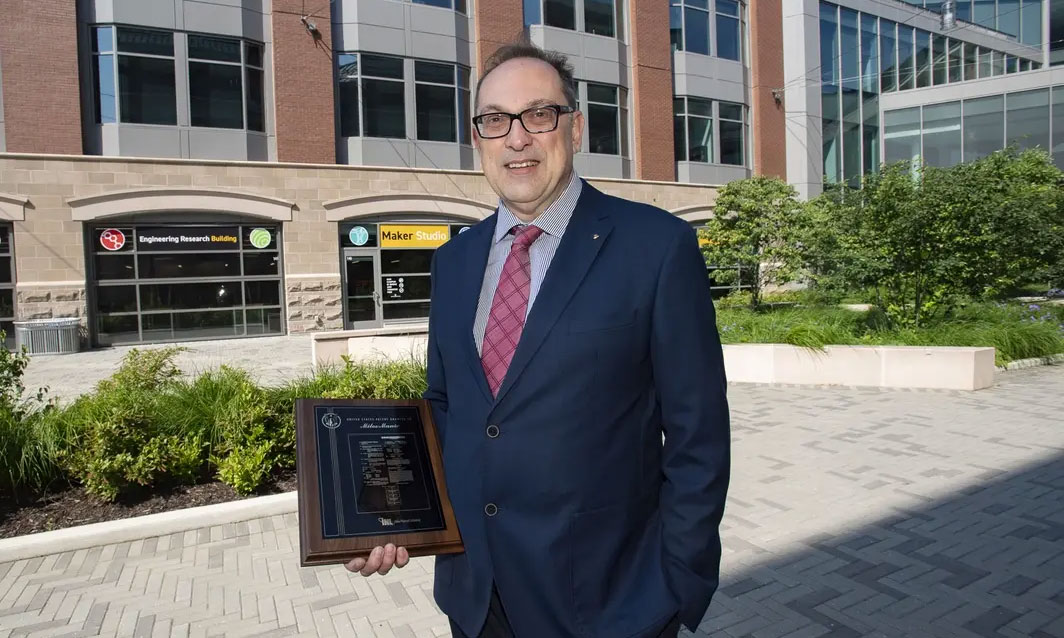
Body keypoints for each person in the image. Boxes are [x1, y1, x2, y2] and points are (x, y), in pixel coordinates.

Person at [345, 42, 731, 638]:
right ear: (478, 137)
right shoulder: (454, 260)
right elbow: (447, 406)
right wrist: (391, 515)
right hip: (478, 599)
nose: (516, 138)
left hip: (611, 602)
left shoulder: (655, 246)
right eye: (495, 119)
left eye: (538, 115)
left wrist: (677, 581)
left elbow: (698, 433)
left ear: (574, 127)